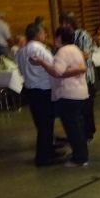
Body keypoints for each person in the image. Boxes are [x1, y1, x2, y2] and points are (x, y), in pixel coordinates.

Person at [30, 26, 89, 167]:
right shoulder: (75, 49)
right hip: (80, 93)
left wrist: (42, 63)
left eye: (56, 37)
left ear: (60, 38)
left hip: (68, 94)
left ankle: (79, 158)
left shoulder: (63, 52)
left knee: (72, 128)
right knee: (78, 127)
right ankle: (81, 155)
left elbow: (57, 72)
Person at [16, 21, 64, 166]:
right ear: (37, 34)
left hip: (31, 90)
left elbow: (20, 70)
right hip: (43, 90)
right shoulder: (40, 49)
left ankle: (49, 150)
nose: (45, 35)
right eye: (43, 33)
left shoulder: (21, 51)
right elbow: (53, 66)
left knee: (42, 123)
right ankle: (43, 157)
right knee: (45, 124)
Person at [60, 12, 97, 141]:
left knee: (87, 107)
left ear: (69, 23)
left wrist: (69, 55)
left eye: (64, 23)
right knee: (78, 108)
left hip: (86, 76)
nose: (62, 26)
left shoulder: (82, 35)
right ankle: (80, 132)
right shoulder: (67, 37)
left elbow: (86, 54)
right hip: (74, 77)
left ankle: (88, 132)